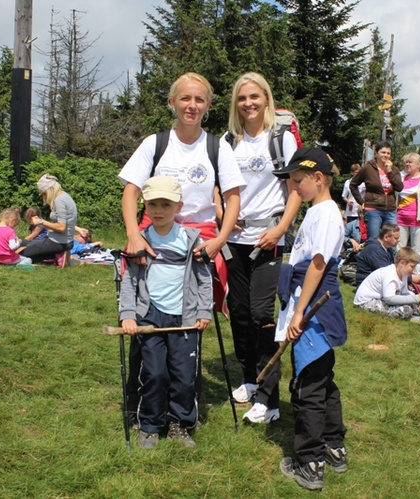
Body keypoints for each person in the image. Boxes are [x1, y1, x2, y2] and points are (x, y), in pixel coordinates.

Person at [119, 72, 245, 426]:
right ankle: (141, 398)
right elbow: (131, 191)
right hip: (154, 234)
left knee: (191, 315)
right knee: (146, 310)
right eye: (185, 99)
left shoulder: (217, 146)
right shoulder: (155, 143)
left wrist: (219, 240)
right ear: (172, 102)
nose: (192, 106)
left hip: (199, 240)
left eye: (199, 100)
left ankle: (185, 397)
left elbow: (233, 196)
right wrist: (133, 234)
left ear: (208, 105)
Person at [221, 72, 301, 423]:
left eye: (255, 97)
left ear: (266, 99)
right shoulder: (227, 140)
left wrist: (281, 229)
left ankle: (269, 397)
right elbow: (217, 185)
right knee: (238, 313)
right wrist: (224, 212)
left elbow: (298, 189)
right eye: (242, 98)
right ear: (235, 104)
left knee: (260, 314)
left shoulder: (281, 139)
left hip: (269, 237)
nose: (249, 104)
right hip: (234, 240)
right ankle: (249, 377)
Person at [272, 147, 348, 491]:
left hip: (315, 310)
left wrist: (300, 311)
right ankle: (334, 446)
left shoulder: (327, 213)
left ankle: (309, 462)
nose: (294, 187)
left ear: (319, 178)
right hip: (308, 302)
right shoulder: (318, 211)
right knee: (322, 381)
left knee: (308, 388)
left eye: (298, 180)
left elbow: (318, 264)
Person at [119, 177, 212, 449]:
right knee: (154, 373)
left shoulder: (190, 239)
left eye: (166, 204)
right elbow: (130, 281)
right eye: (152, 204)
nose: (158, 210)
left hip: (184, 319)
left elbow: (204, 279)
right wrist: (128, 314)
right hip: (150, 317)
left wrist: (203, 310)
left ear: (178, 206)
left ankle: (180, 424)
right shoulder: (140, 240)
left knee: (184, 376)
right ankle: (149, 424)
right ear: (144, 205)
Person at [353, 247, 420, 319]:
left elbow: (404, 293)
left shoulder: (403, 275)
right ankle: (413, 318)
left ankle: (415, 315)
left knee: (412, 303)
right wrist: (416, 298)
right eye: (412, 266)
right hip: (366, 301)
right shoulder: (390, 274)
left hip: (380, 299)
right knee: (405, 310)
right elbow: (389, 298)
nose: (413, 270)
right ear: (402, 263)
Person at [349, 140, 403, 241]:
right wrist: (361, 202)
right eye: (383, 152)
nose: (385, 155)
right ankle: (373, 257)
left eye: (388, 153)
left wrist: (389, 171)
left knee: (392, 240)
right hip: (373, 209)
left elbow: (399, 187)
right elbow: (353, 185)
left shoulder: (394, 169)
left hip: (390, 209)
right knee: (373, 239)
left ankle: (390, 257)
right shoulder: (368, 168)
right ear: (376, 153)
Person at [21, 174, 78, 268]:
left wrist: (41, 222)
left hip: (58, 242)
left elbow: (61, 227)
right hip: (65, 241)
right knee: (32, 247)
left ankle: (58, 254)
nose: (44, 196)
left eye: (44, 193)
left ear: (50, 189)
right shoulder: (66, 196)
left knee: (24, 252)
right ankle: (57, 255)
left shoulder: (60, 200)